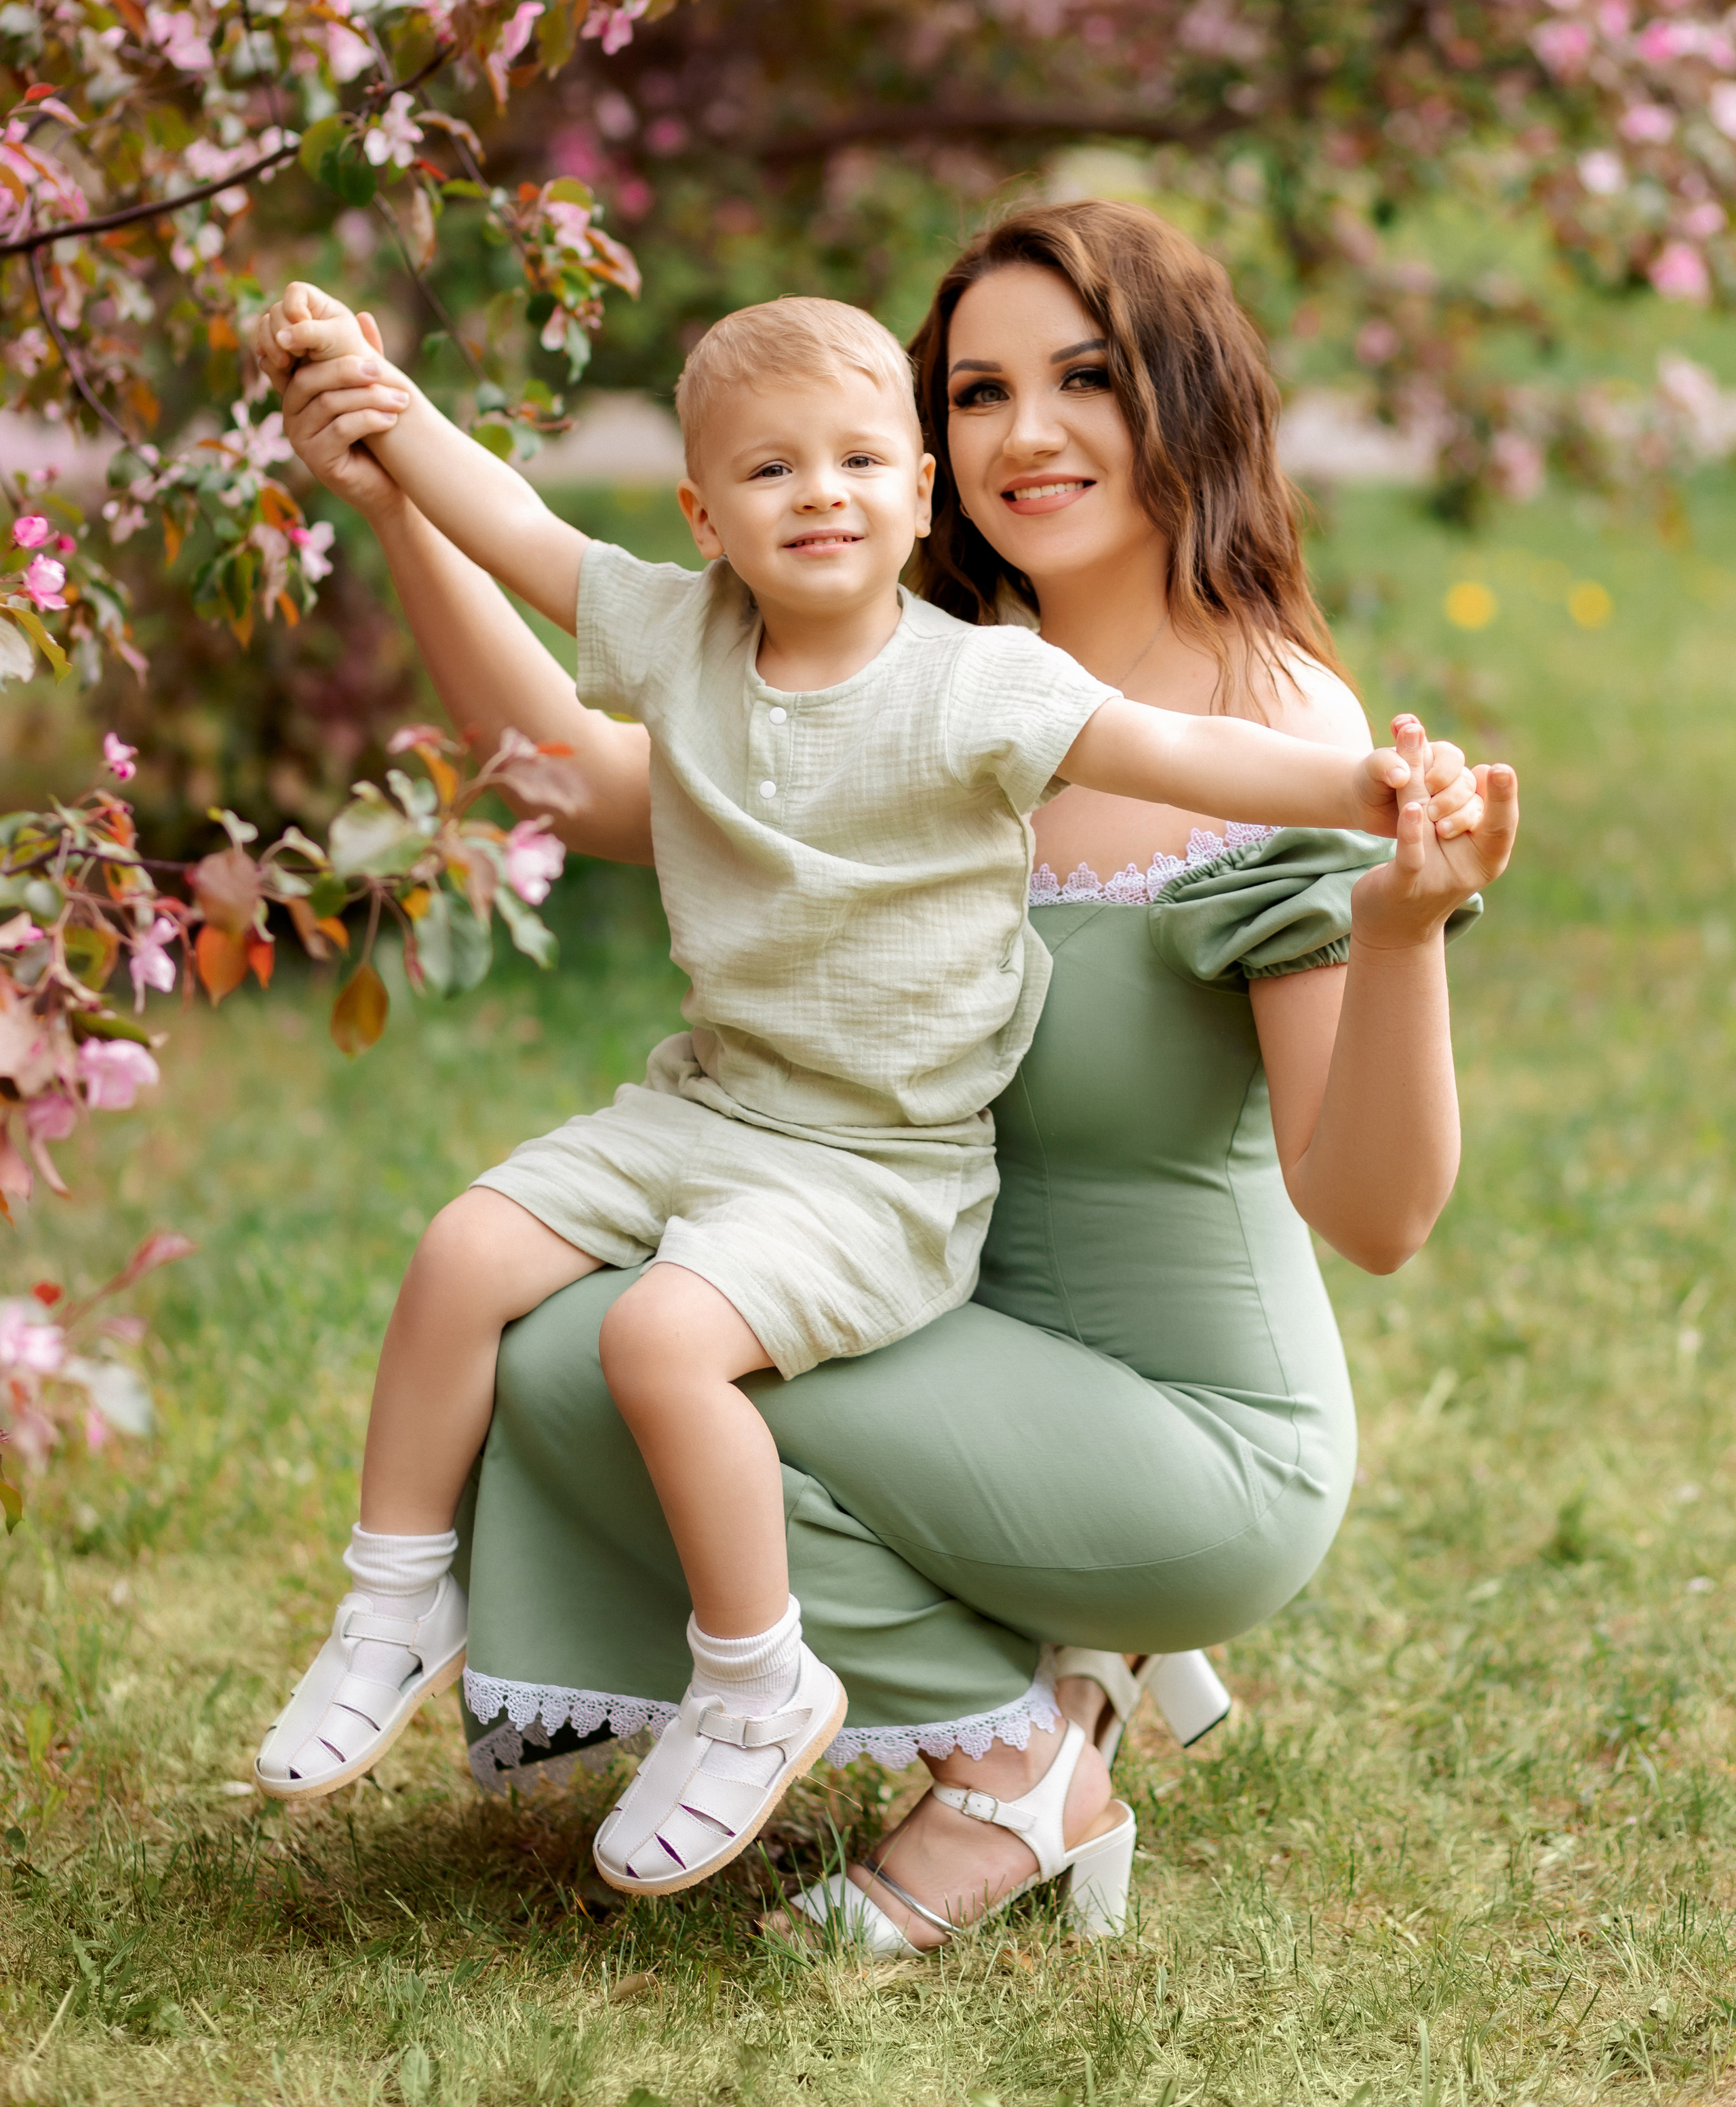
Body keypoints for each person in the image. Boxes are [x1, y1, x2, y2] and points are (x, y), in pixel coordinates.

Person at [262, 200, 1516, 1950]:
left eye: (1086, 378)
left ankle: (1018, 1762)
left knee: (626, 1350)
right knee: (551, 1343)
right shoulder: (913, 683)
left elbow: (1377, 1219)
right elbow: (577, 778)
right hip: (939, 1322)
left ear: (1191, 402)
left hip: (1190, 1428)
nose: (1027, 434)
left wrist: (1396, 932)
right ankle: (1020, 1698)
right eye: (981, 391)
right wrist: (404, 501)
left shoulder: (1270, 731)